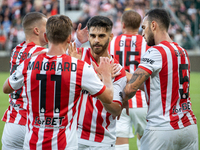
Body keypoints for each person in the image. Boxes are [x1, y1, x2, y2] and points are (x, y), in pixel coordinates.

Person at [3, 14, 114, 150]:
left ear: (46, 37)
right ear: (69, 38)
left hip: (31, 140)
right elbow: (108, 97)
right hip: (64, 144)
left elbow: (6, 88)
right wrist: (107, 75)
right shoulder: (79, 67)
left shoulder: (28, 62)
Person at [122, 8, 198, 150]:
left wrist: (118, 96)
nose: (142, 33)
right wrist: (123, 74)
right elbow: (158, 86)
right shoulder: (182, 51)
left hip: (161, 129)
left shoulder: (155, 51)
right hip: (189, 127)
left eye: (144, 28)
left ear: (153, 25)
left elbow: (130, 89)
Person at [71, 16, 127, 149]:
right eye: (93, 35)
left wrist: (103, 81)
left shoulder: (117, 69)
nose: (96, 40)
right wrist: (77, 43)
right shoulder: (77, 57)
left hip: (103, 142)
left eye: (101, 36)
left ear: (111, 36)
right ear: (88, 36)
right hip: (74, 138)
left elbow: (115, 109)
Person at [1, 12, 48, 150]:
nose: (50, 30)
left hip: (12, 123)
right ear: (37, 30)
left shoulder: (17, 49)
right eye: (47, 26)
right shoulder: (43, 54)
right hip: (33, 124)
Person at [108, 10, 149, 150]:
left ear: (123, 24)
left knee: (120, 137)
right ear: (139, 25)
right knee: (145, 137)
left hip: (118, 96)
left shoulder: (112, 41)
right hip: (141, 97)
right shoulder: (146, 41)